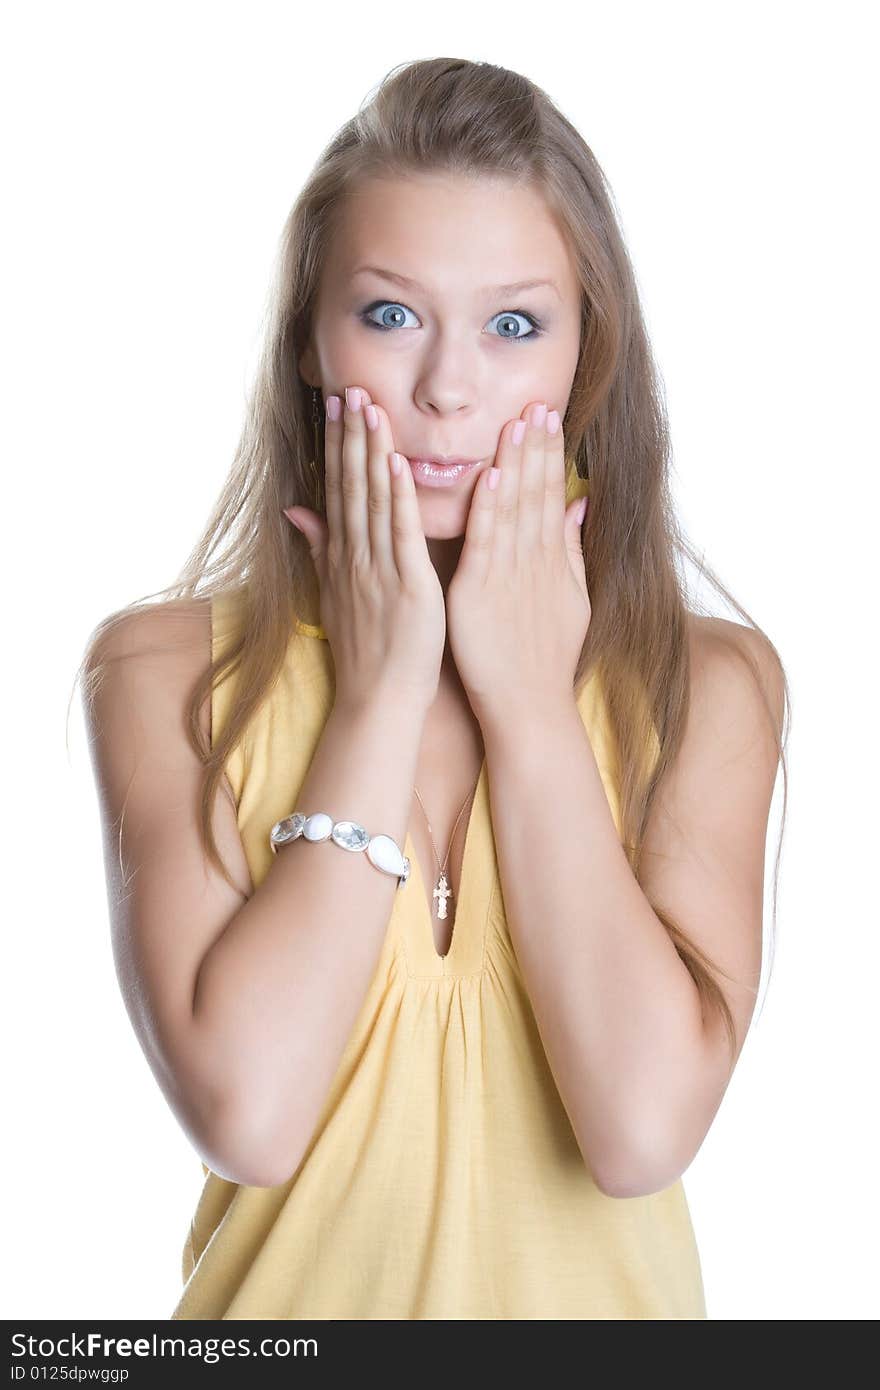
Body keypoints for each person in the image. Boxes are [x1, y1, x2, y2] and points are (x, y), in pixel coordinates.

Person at [78, 57, 789, 1320]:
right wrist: (379, 690)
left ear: (588, 352)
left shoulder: (708, 687)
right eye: (391, 315)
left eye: (514, 325)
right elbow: (250, 1113)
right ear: (310, 335)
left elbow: (636, 1132)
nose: (448, 390)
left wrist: (526, 702)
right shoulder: (166, 673)